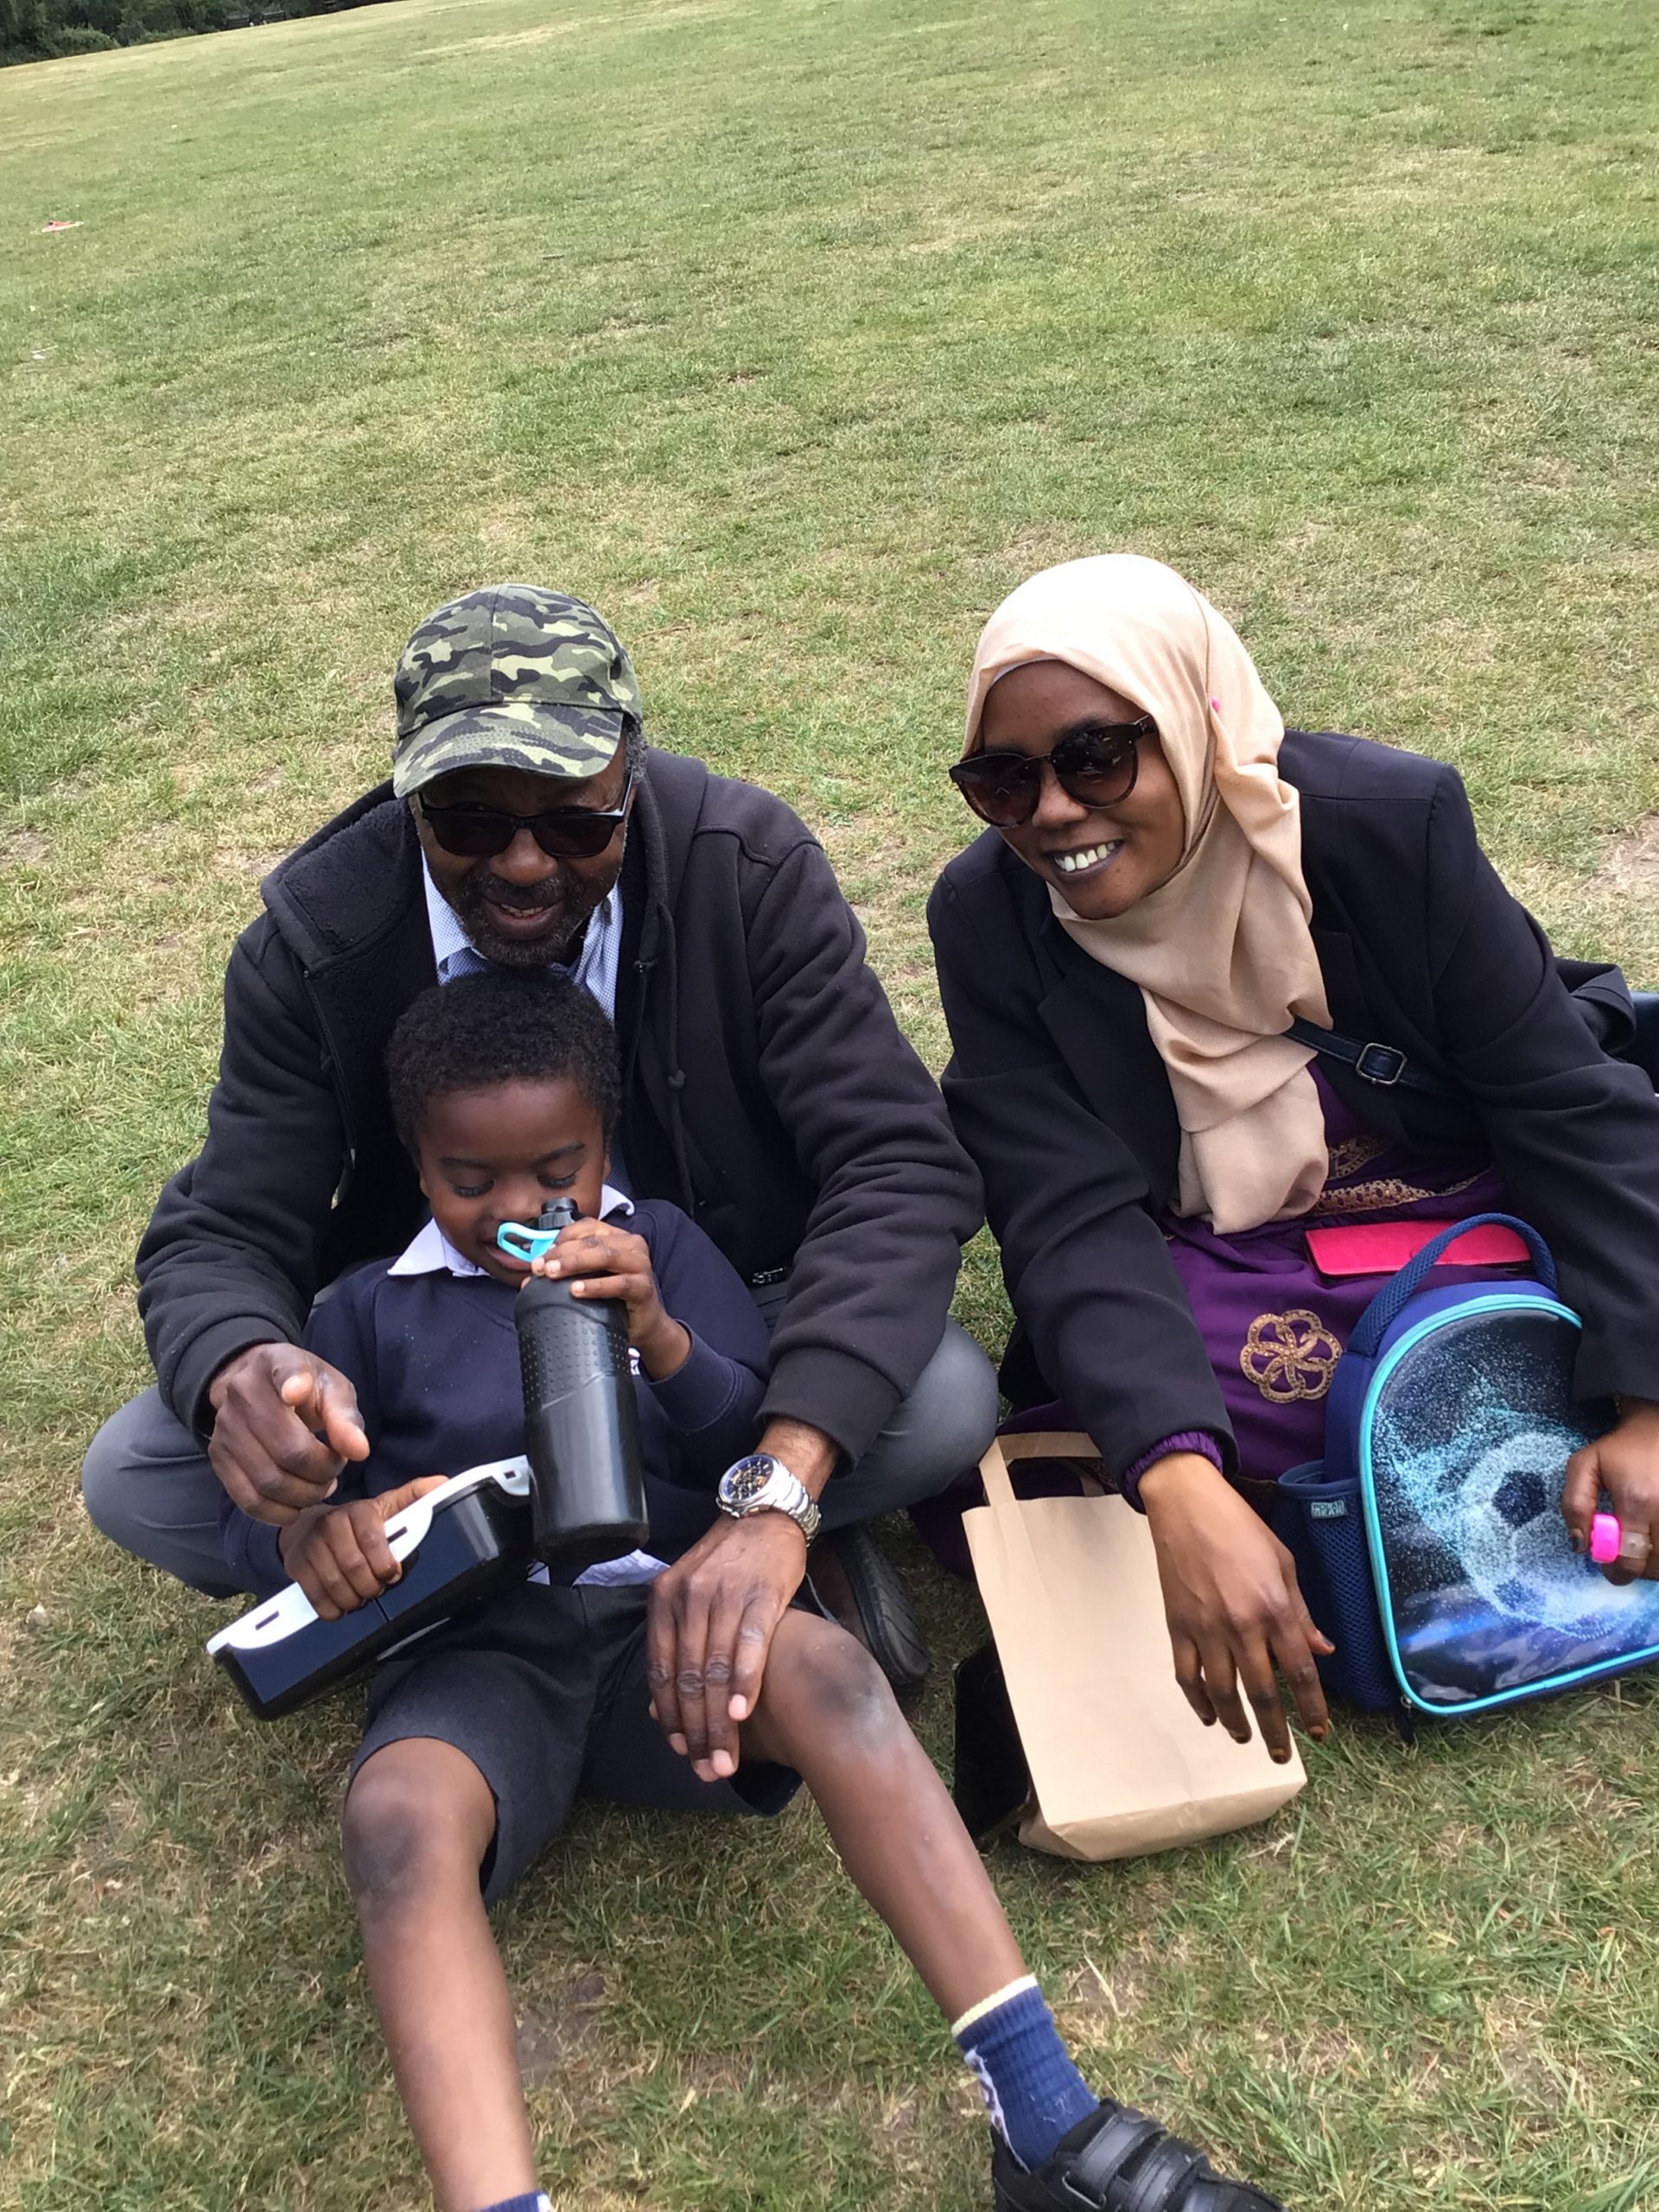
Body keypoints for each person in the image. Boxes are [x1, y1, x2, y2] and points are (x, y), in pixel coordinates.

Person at [237, 970, 1288, 2212]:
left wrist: (661, 1335)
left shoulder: (661, 1251)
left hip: (673, 1614)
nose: (517, 1207)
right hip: (480, 1653)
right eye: (470, 1180)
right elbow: (274, 1520)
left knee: (836, 1674)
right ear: (417, 1167)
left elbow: (749, 1441)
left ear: (604, 1144)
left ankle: (1046, 2121)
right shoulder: (369, 1310)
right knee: (395, 1822)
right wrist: (321, 1530)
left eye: (558, 1170)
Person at [85, 582, 999, 1687]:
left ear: (631, 781)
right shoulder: (314, 944)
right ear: (410, 796)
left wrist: (787, 1461)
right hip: (441, 1342)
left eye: (576, 821)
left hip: (711, 1310)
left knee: (940, 1401)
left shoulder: (743, 870)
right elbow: (224, 1225)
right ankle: (573, 1535)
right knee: (139, 1472)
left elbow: (895, 1161)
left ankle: (740, 1509)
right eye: (470, 821)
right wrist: (243, 1365)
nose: (523, 864)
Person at [929, 553, 1659, 1761]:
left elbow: (1561, 1106)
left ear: (1194, 724)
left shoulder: (1388, 825)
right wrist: (1178, 1479)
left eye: (1098, 757)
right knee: (1200, 1395)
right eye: (1002, 780)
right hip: (1227, 1252)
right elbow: (1068, 1216)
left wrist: (1648, 1400)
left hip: (1453, 1192)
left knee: (1588, 1300)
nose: (1052, 812)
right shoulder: (988, 916)